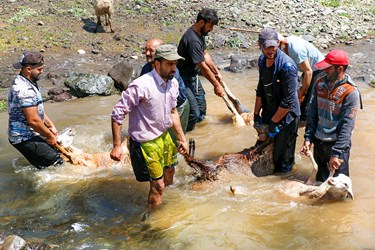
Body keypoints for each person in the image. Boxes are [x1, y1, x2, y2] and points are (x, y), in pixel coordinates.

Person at [110, 44, 188, 207]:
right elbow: (118, 113)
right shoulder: (141, 85)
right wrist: (117, 145)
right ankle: (153, 222)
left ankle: (163, 204)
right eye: (169, 64)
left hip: (164, 136)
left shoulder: (172, 83)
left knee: (170, 174)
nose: (174, 68)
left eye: (175, 63)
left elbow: (173, 112)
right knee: (158, 185)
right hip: (145, 142)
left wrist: (182, 139)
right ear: (157, 64)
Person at [301, 49, 361, 182]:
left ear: (340, 69)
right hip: (319, 141)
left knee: (338, 188)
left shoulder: (350, 92)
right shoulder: (319, 83)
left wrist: (336, 153)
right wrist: (308, 138)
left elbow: (347, 126)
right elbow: (312, 113)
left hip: (337, 146)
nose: (325, 70)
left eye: (328, 67)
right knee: (320, 183)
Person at [252, 27, 301, 173]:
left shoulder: (287, 66)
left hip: (287, 116)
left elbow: (289, 101)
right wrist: (256, 114)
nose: (271, 50)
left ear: (278, 44)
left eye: (274, 46)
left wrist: (274, 123)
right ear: (259, 45)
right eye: (267, 47)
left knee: (282, 160)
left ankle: (285, 178)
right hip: (271, 108)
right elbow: (261, 87)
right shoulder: (262, 61)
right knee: (265, 151)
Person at [8, 51, 63, 169]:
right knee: (57, 163)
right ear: (28, 69)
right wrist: (49, 136)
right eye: (39, 69)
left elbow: (36, 109)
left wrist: (50, 125)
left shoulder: (27, 81)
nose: (42, 72)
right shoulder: (24, 90)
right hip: (23, 137)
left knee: (47, 162)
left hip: (30, 132)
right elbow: (33, 120)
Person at [177, 8, 225, 132]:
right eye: (210, 26)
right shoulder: (192, 40)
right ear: (202, 22)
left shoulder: (200, 34)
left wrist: (217, 72)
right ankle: (185, 136)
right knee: (194, 113)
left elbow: (205, 55)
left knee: (202, 109)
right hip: (183, 78)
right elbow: (203, 66)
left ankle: (199, 132)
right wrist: (216, 85)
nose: (211, 30)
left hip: (193, 77)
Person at [140, 38, 190, 136]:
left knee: (174, 139)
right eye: (146, 50)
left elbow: (170, 103)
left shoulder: (170, 73)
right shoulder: (146, 68)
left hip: (177, 107)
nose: (147, 53)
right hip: (162, 107)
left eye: (151, 51)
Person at [278, 34, 325, 124]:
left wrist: (302, 92)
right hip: (309, 69)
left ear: (282, 44)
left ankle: (305, 123)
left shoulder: (296, 50)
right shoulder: (286, 45)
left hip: (318, 69)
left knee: (307, 101)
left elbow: (308, 72)